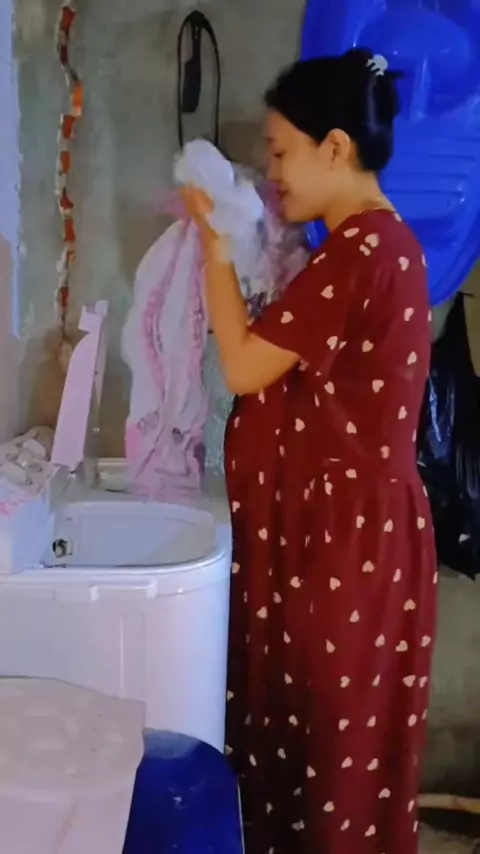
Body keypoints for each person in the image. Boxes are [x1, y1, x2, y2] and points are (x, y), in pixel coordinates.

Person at [183, 47, 437, 854]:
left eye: (282, 152)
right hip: (337, 541)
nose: (273, 173)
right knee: (323, 754)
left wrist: (214, 243)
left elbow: (243, 365)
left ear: (335, 147)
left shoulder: (363, 251)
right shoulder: (364, 247)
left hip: (342, 551)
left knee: (329, 759)